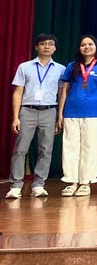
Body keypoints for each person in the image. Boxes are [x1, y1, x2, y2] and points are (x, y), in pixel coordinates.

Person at [5, 34, 64, 199]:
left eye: (50, 44)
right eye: (43, 44)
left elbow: (62, 94)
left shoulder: (61, 69)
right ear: (36, 47)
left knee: (46, 149)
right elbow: (18, 92)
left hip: (50, 110)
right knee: (20, 148)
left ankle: (39, 184)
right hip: (27, 110)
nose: (47, 47)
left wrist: (60, 116)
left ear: (55, 48)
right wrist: (15, 116)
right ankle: (16, 185)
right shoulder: (25, 67)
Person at [57, 35, 97, 197]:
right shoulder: (72, 66)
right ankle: (72, 181)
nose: (86, 47)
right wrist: (60, 114)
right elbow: (64, 91)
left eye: (90, 44)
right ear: (79, 48)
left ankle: (86, 182)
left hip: (95, 113)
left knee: (91, 147)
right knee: (70, 147)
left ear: (96, 47)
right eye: (83, 45)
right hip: (71, 112)